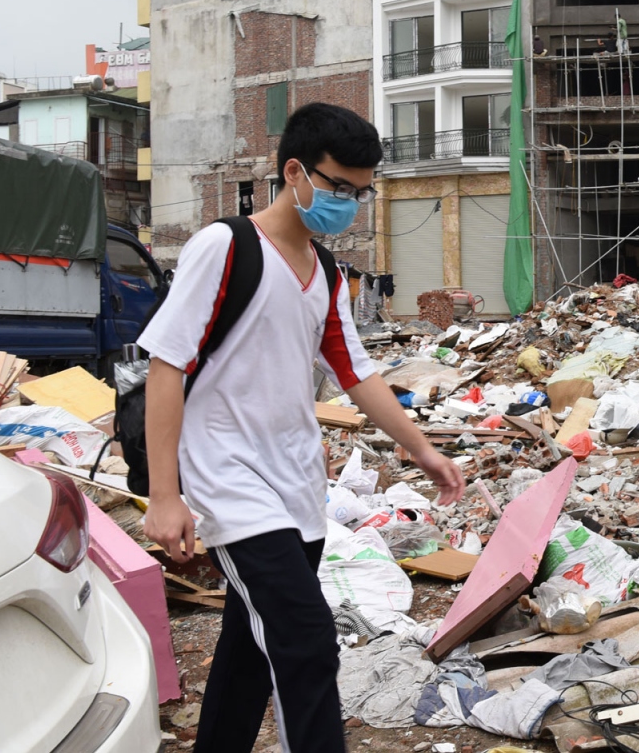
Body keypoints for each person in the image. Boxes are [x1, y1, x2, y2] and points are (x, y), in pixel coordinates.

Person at [140, 103, 464, 753]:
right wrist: (166, 493)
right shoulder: (224, 248)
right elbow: (167, 365)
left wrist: (424, 451)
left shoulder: (326, 275)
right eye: (339, 187)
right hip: (233, 487)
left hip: (298, 492)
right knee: (307, 642)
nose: (350, 202)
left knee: (248, 654)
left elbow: (358, 376)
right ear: (296, 172)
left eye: (361, 191)